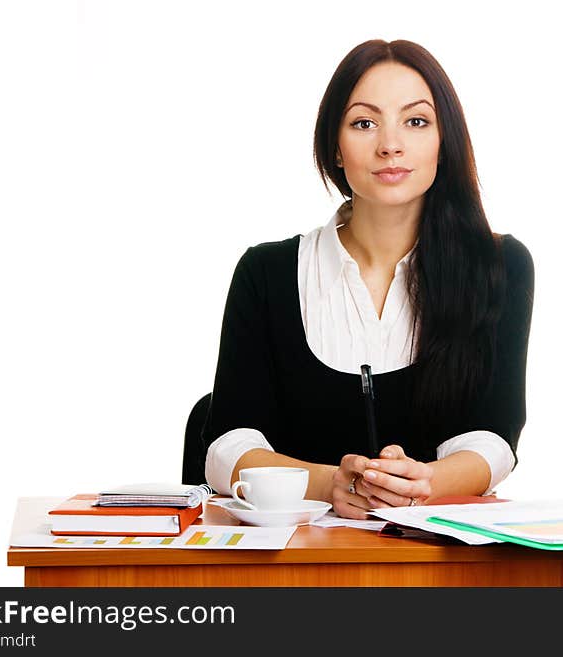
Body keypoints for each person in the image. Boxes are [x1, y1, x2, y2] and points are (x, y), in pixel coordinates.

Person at [203, 39, 534, 519]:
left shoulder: (499, 266)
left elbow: (493, 439)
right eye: (364, 122)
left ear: (445, 140)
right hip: (293, 562)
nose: (390, 144)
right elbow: (227, 447)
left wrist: (427, 482)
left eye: (416, 121)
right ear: (335, 147)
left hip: (439, 561)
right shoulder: (266, 273)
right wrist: (330, 484)